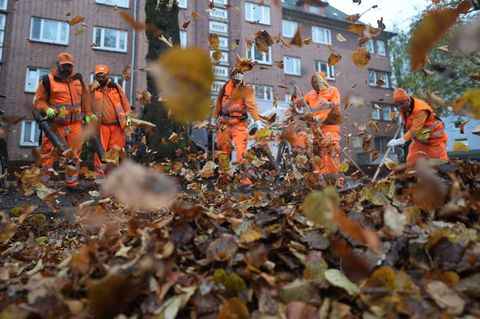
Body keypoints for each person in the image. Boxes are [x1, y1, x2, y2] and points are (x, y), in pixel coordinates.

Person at [34, 52, 93, 189]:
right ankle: (42, 183)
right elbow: (38, 102)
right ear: (57, 65)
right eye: (64, 66)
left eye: (69, 66)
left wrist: (89, 113)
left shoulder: (78, 79)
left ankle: (71, 183)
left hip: (75, 124)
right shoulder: (47, 80)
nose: (67, 68)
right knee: (48, 152)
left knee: (74, 153)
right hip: (55, 124)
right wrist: (46, 108)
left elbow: (85, 98)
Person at [210, 67, 264, 185]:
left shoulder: (247, 90)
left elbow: (252, 106)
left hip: (239, 124)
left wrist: (257, 120)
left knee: (241, 151)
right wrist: (213, 119)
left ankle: (244, 178)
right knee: (222, 151)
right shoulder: (224, 88)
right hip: (224, 124)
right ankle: (223, 177)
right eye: (234, 78)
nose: (236, 81)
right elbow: (218, 104)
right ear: (231, 77)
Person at [296, 71, 344, 187]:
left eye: (318, 81)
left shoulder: (332, 90)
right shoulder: (311, 94)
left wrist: (320, 117)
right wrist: (297, 100)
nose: (316, 84)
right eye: (314, 82)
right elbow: (299, 103)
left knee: (331, 149)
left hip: (330, 127)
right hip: (316, 129)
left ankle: (338, 181)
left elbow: (335, 109)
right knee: (317, 154)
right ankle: (322, 180)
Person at [91, 64, 131, 183]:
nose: (100, 78)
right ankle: (99, 180)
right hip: (102, 126)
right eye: (98, 75)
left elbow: (125, 103)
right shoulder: (93, 89)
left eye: (102, 75)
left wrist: (128, 116)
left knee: (114, 152)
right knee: (100, 152)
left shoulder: (115, 87)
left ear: (108, 75)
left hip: (117, 126)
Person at [387, 88, 448, 164]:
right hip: (421, 140)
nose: (399, 107)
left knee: (440, 164)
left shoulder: (420, 110)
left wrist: (400, 140)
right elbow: (407, 114)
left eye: (401, 104)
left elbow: (415, 129)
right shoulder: (406, 106)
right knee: (411, 161)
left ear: (407, 100)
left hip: (434, 140)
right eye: (397, 105)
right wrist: (402, 118)